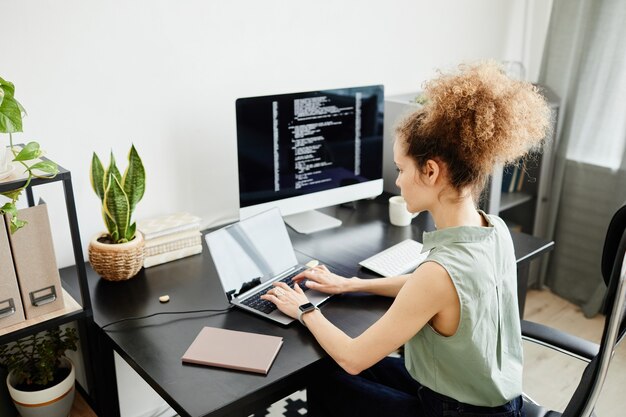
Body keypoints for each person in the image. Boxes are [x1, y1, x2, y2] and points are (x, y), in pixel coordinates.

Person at [261, 61, 551, 417]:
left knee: (326, 375)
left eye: (401, 169)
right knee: (341, 363)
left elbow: (353, 358)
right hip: (492, 398)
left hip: (458, 411)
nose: (397, 181)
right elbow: (437, 290)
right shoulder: (494, 228)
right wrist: (348, 285)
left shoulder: (438, 273)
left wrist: (303, 308)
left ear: (430, 171)